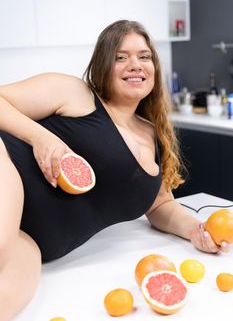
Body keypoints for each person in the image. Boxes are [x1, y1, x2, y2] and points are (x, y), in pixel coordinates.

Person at [0, 20, 229, 320]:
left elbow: (160, 205)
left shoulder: (154, 136)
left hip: (33, 242)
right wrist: (41, 137)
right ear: (102, 65)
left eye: (144, 56)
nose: (135, 65)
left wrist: (195, 231)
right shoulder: (74, 93)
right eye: (121, 57)